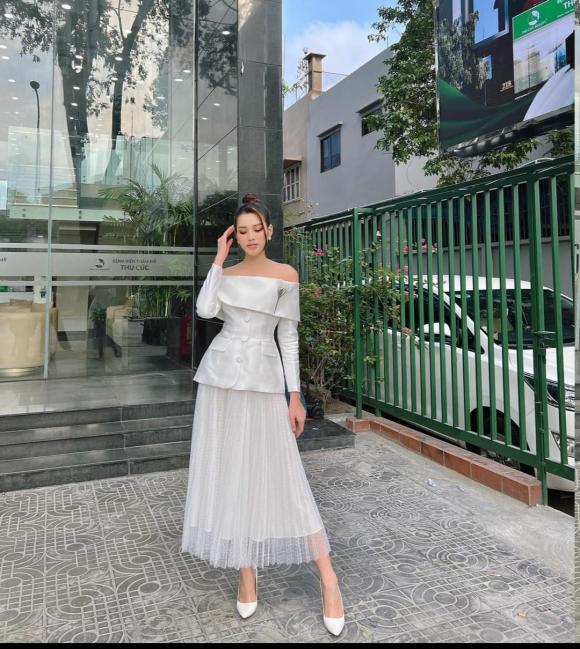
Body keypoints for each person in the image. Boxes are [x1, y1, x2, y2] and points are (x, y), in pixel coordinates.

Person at [181, 194, 345, 636]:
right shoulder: (227, 273)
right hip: (221, 383)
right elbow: (205, 310)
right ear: (234, 236)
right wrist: (218, 260)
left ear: (270, 231)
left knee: (285, 477)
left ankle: (329, 580)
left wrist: (295, 396)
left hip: (265, 380)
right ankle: (246, 572)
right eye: (242, 231)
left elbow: (287, 338)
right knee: (232, 474)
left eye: (257, 229)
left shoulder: (285, 275)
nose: (251, 237)